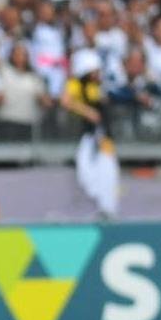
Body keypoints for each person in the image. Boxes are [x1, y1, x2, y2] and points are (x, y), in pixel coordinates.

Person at [61, 49, 119, 218]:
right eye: (95, 70)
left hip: (102, 137)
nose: (98, 74)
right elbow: (66, 101)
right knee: (86, 170)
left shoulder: (97, 87)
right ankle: (100, 205)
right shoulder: (75, 84)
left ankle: (107, 208)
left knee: (108, 170)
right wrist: (87, 112)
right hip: (84, 136)